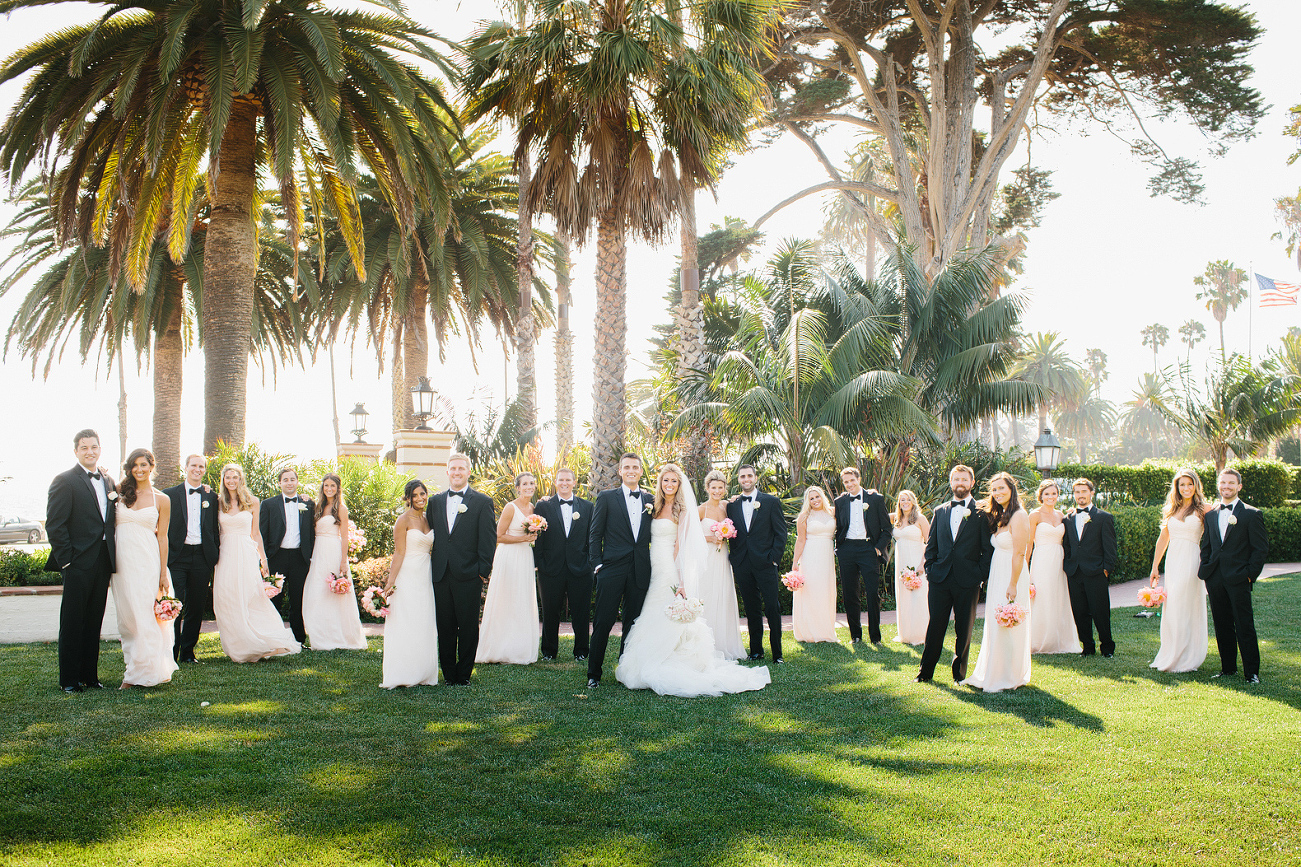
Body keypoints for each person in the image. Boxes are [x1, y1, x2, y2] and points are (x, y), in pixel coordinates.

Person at [616, 464, 771, 696]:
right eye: (665, 480)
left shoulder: (684, 509)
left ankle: (669, 657)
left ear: (679, 485)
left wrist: (681, 579)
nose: (669, 485)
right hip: (649, 563)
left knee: (665, 606)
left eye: (674, 481)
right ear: (660, 483)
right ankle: (649, 654)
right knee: (651, 608)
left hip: (668, 565)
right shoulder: (652, 505)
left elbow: (681, 544)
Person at [45, 428, 117, 693]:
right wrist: (67, 562)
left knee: (94, 621)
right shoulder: (64, 480)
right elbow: (55, 524)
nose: (90, 452)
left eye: (94, 447)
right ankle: (69, 680)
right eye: (84, 448)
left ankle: (89, 676)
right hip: (76, 564)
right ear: (76, 451)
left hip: (102, 562)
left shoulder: (109, 481)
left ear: (100, 449)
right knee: (73, 622)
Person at [212, 463, 301, 663]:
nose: (232, 481)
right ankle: (237, 644)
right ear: (223, 480)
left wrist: (263, 559)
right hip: (225, 554)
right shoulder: (218, 502)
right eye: (228, 477)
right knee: (227, 597)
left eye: (235, 477)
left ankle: (261, 638)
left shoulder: (252, 501)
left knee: (250, 596)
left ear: (240, 479)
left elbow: (256, 533)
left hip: (246, 552)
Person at [915, 465, 993, 684]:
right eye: (956, 479)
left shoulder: (982, 512)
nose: (960, 483)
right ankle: (924, 673)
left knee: (964, 629)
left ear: (972, 483)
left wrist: (979, 575)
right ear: (951, 482)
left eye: (964, 479)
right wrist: (930, 569)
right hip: (939, 579)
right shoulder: (940, 511)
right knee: (935, 627)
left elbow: (988, 550)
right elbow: (931, 547)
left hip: (968, 580)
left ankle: (958, 676)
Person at [427, 453, 496, 686]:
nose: (456, 472)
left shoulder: (483, 502)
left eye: (461, 469)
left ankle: (464, 674)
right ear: (447, 472)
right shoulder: (434, 502)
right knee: (444, 625)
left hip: (469, 574)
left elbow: (488, 540)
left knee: (467, 626)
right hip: (440, 574)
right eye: (453, 468)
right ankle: (448, 674)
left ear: (468, 472)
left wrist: (482, 571)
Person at [111, 449, 179, 688]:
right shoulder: (118, 493)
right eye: (134, 465)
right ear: (129, 468)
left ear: (152, 466)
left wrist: (163, 572)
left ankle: (141, 673)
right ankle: (136, 665)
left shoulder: (162, 499)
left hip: (148, 563)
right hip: (121, 564)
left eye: (143, 465)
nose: (139, 469)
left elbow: (163, 538)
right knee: (128, 618)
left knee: (146, 615)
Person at [586, 453, 654, 688]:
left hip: (640, 570)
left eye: (635, 467)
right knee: (603, 622)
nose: (631, 470)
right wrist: (597, 564)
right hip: (611, 569)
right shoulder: (606, 498)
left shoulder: (651, 499)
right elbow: (594, 534)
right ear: (620, 471)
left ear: (641, 471)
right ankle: (594, 674)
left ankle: (625, 669)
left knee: (632, 623)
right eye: (627, 467)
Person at [962, 473, 1032, 692]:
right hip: (997, 573)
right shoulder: (1001, 515)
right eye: (994, 489)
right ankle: (995, 671)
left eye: (1002, 488)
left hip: (1012, 574)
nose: (997, 493)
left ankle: (1009, 675)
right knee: (996, 622)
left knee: (1009, 622)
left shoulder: (1019, 515)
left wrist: (1013, 584)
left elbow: (1020, 553)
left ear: (1012, 489)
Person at [1199, 468, 1269, 684]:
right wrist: (1207, 569)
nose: (1226, 487)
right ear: (1218, 486)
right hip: (1216, 579)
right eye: (1223, 483)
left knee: (1244, 624)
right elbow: (1207, 546)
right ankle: (1228, 668)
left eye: (1231, 483)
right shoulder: (1210, 515)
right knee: (1222, 624)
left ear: (1239, 486)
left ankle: (1251, 672)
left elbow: (1260, 549)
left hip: (1239, 578)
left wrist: (1250, 575)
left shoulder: (1251, 514)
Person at [1149, 469, 1212, 673]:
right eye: (1182, 484)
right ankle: (1171, 651)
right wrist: (1155, 566)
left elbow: (1214, 538)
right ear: (1177, 487)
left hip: (1192, 560)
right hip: (1173, 562)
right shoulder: (1171, 510)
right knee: (1173, 606)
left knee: (1185, 604)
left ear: (1196, 486)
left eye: (1189, 484)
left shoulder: (1205, 509)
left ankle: (1187, 655)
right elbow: (1163, 540)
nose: (1186, 488)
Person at [476, 472, 542, 665]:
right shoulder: (510, 508)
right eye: (525, 484)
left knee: (521, 599)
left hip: (525, 557)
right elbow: (497, 536)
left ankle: (518, 648)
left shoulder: (532, 507)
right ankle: (499, 648)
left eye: (532, 483)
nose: (529, 487)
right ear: (518, 487)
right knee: (506, 598)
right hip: (509, 556)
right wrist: (524, 538)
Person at [726, 465, 789, 662]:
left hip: (765, 562)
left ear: (755, 478)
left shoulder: (771, 501)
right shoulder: (732, 506)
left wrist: (773, 559)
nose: (746, 479)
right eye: (742, 476)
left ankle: (777, 653)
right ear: (739, 479)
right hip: (742, 563)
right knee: (752, 608)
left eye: (749, 476)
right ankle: (756, 650)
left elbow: (781, 533)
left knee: (772, 607)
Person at [381, 480, 438, 688]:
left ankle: (423, 672)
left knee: (423, 620)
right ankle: (403, 672)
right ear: (408, 498)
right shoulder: (402, 520)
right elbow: (399, 552)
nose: (420, 498)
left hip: (425, 574)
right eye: (415, 495)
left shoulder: (428, 519)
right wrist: (391, 581)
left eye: (422, 494)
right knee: (406, 620)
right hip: (407, 574)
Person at [163, 455, 220, 663]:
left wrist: (213, 551)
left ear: (205, 470)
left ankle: (188, 652)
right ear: (185, 467)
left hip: (202, 556)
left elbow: (215, 526)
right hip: (177, 556)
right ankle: (171, 650)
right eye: (194, 465)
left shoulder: (211, 496)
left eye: (201, 466)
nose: (197, 469)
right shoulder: (169, 494)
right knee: (175, 604)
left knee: (196, 606)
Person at [301, 473, 367, 651]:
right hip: (318, 552)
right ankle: (320, 635)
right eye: (326, 486)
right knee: (317, 592)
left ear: (338, 488)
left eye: (332, 486)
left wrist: (343, 561)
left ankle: (340, 636)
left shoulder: (341, 509)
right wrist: (304, 498)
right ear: (322, 488)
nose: (329, 489)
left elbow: (344, 537)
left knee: (334, 594)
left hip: (333, 551)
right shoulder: (318, 507)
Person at [532, 468, 593, 661]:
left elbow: (593, 537)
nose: (564, 483)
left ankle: (582, 651)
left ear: (574, 482)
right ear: (555, 482)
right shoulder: (543, 507)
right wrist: (540, 563)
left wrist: (589, 563)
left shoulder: (587, 507)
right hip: (550, 568)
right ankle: (549, 651)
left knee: (581, 612)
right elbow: (537, 538)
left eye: (568, 480)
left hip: (581, 568)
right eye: (561, 480)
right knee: (550, 611)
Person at [833, 467, 892, 644]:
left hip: (869, 549)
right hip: (847, 550)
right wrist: (840, 548)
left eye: (852, 480)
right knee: (850, 593)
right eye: (846, 482)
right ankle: (855, 636)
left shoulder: (875, 499)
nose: (850, 484)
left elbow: (887, 529)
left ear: (859, 479)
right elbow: (838, 526)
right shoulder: (840, 501)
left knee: (873, 593)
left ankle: (875, 637)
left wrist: (878, 548)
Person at [1061, 478, 1118, 658]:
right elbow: (1068, 545)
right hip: (1074, 572)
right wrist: (1068, 565)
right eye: (1077, 492)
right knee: (1080, 612)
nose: (1080, 495)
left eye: (1084, 491)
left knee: (1100, 611)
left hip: (1096, 572)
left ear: (1091, 492)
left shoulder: (1103, 517)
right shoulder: (1068, 519)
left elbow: (1110, 547)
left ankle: (1107, 647)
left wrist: (1106, 569)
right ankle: (1087, 646)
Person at [259, 468, 315, 644]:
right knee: (274, 597)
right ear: (279, 483)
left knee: (297, 599)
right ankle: (273, 637)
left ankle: (299, 639)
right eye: (285, 480)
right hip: (277, 557)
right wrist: (264, 558)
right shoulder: (268, 504)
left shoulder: (309, 504)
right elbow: (262, 532)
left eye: (292, 479)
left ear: (297, 482)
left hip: (300, 557)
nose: (289, 482)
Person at [1026, 480, 1080, 655]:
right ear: (1041, 495)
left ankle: (1060, 639)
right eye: (1047, 494)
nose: (1050, 497)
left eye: (1054, 494)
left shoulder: (1061, 515)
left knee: (1058, 596)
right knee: (1042, 597)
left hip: (1059, 560)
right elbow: (1028, 545)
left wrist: (1072, 512)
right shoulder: (1034, 515)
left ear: (1058, 495)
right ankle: (1039, 640)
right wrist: (1025, 569)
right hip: (1042, 559)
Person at [697, 471, 745, 659]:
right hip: (707, 557)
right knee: (706, 594)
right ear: (707, 488)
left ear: (725, 488)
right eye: (713, 487)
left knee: (722, 594)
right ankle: (703, 643)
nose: (717, 491)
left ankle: (724, 642)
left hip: (723, 557)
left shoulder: (727, 506)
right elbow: (688, 534)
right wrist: (710, 537)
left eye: (720, 487)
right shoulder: (701, 509)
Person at [791, 486, 838, 643]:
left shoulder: (833, 512)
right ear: (807, 501)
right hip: (810, 555)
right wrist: (795, 562)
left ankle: (826, 630)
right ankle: (808, 631)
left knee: (826, 591)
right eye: (811, 498)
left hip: (827, 556)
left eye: (817, 496)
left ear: (822, 496)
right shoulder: (804, 516)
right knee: (811, 591)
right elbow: (801, 539)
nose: (815, 500)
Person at [890, 489, 930, 646]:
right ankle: (906, 634)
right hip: (902, 563)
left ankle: (921, 634)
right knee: (904, 598)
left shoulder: (920, 519)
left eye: (907, 499)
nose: (904, 502)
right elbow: (879, 515)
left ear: (913, 501)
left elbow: (929, 543)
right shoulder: (897, 520)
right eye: (901, 500)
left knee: (918, 598)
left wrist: (922, 564)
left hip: (917, 563)